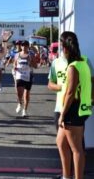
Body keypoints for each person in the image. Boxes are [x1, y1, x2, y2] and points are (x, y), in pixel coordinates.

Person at [56, 31, 92, 179]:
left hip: (73, 110)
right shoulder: (82, 62)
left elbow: (70, 93)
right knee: (61, 142)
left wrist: (62, 115)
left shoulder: (73, 67)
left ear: (65, 48)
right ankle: (66, 176)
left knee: (76, 149)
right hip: (79, 109)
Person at [13, 40, 38, 117]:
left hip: (28, 75)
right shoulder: (17, 55)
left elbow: (36, 66)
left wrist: (30, 62)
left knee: (26, 94)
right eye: (22, 45)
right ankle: (20, 103)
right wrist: (15, 67)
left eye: (25, 45)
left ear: (28, 46)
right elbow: (14, 63)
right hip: (19, 75)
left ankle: (24, 110)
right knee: (19, 91)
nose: (24, 47)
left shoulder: (31, 55)